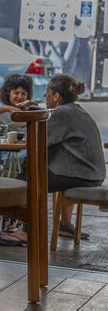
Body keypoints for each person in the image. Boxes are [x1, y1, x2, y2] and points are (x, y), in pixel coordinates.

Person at [45, 74, 105, 239]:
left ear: (56, 96)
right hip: (93, 174)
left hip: (82, 175)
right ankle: (65, 225)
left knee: (28, 178)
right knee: (52, 168)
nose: (45, 97)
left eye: (47, 93)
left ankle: (25, 231)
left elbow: (39, 140)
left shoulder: (62, 113)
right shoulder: (76, 110)